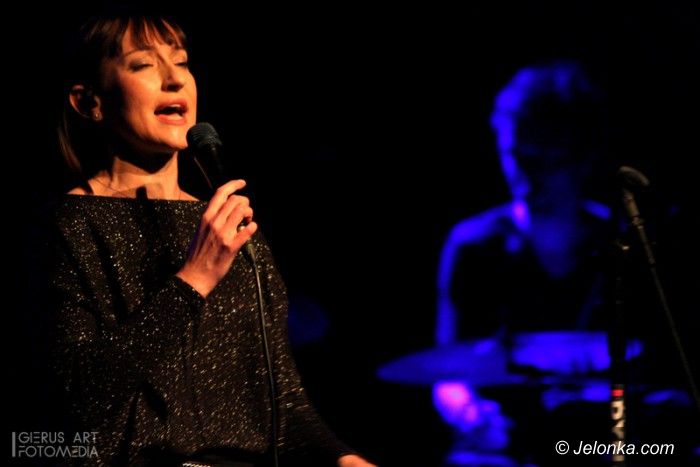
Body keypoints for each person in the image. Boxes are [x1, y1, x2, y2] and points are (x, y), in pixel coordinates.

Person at [48, 11, 376, 467]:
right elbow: (74, 399)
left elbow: (283, 409)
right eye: (143, 64)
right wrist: (193, 280)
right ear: (90, 103)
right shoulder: (68, 224)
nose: (174, 79)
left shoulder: (225, 227)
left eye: (181, 62)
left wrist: (343, 458)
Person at [432, 61, 612, 466]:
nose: (528, 178)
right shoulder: (474, 245)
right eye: (516, 156)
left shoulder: (621, 245)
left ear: (583, 158)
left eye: (547, 161)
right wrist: (471, 414)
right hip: (501, 452)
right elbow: (445, 373)